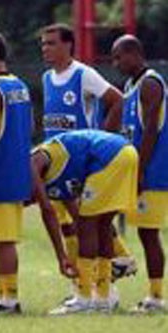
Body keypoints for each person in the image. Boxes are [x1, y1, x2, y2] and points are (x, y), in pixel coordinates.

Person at [0, 30, 74, 314]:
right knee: (4, 240)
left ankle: (9, 299)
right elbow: (29, 127)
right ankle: (4, 295)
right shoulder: (20, 86)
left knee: (3, 242)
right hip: (16, 170)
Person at [40, 23, 135, 283]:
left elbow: (117, 100)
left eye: (51, 43)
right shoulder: (47, 78)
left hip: (81, 162)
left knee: (85, 222)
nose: (45, 49)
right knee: (69, 224)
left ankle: (102, 273)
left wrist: (104, 136)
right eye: (43, 44)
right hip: (55, 163)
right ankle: (91, 278)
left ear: (68, 45)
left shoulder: (83, 74)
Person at [30, 130, 138, 314]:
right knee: (101, 224)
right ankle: (103, 298)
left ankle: (84, 297)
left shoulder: (31, 163)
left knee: (89, 224)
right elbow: (76, 214)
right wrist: (64, 254)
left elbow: (48, 211)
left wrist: (61, 256)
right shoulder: (53, 180)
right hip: (126, 152)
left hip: (109, 155)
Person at [112, 35, 167, 313]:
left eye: (119, 56)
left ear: (134, 53)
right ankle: (120, 263)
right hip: (137, 169)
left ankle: (156, 297)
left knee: (149, 233)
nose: (115, 62)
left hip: (154, 172)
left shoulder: (150, 84)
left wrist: (141, 170)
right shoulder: (130, 85)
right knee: (105, 216)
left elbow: (151, 131)